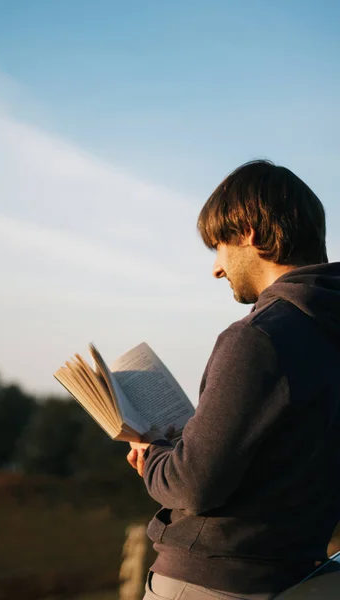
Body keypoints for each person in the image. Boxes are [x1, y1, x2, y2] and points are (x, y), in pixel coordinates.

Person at [127, 160, 340, 600]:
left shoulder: (260, 337)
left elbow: (193, 484)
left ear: (249, 233)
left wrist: (154, 457)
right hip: (298, 578)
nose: (216, 269)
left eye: (218, 246)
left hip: (207, 582)